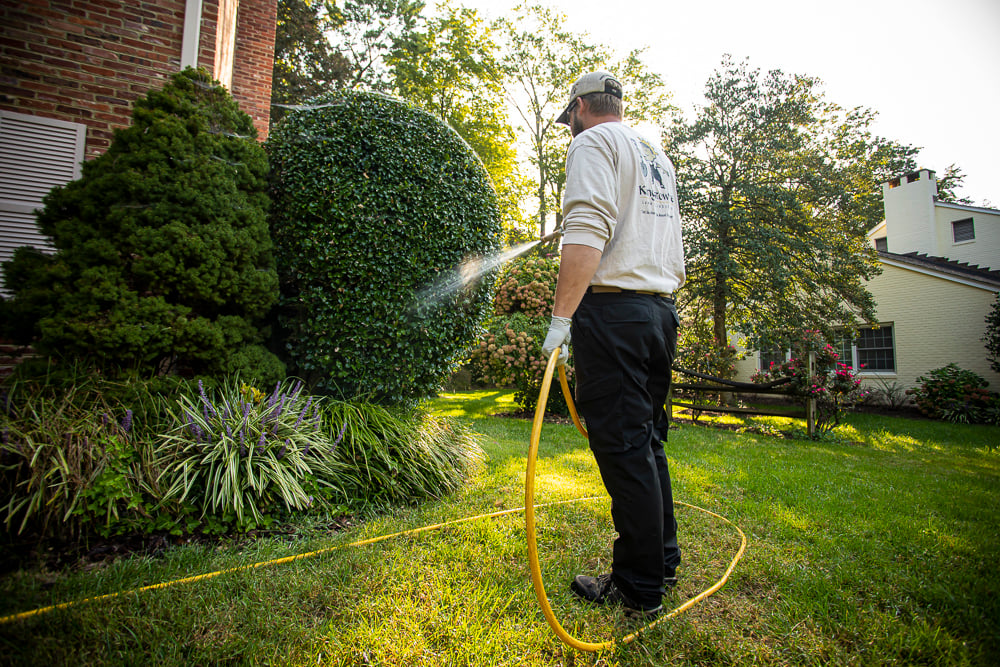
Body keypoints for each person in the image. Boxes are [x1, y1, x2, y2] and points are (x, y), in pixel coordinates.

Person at [542, 71, 686, 618]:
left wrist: (562, 318)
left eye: (569, 118)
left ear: (579, 107)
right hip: (658, 311)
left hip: (615, 313)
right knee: (647, 445)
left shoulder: (590, 143)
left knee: (625, 451)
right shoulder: (654, 152)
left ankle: (638, 587)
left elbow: (586, 231)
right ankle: (661, 564)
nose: (569, 127)